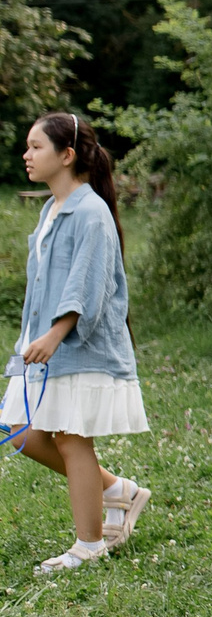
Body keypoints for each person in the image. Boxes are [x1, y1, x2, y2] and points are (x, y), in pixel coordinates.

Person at [11, 113, 150, 576]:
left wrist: (55, 333)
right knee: (18, 430)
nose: (26, 155)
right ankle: (117, 491)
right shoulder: (51, 209)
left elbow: (87, 285)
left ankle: (88, 544)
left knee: (72, 438)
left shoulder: (90, 212)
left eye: (35, 147)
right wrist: (33, 336)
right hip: (46, 345)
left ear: (66, 155)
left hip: (76, 344)